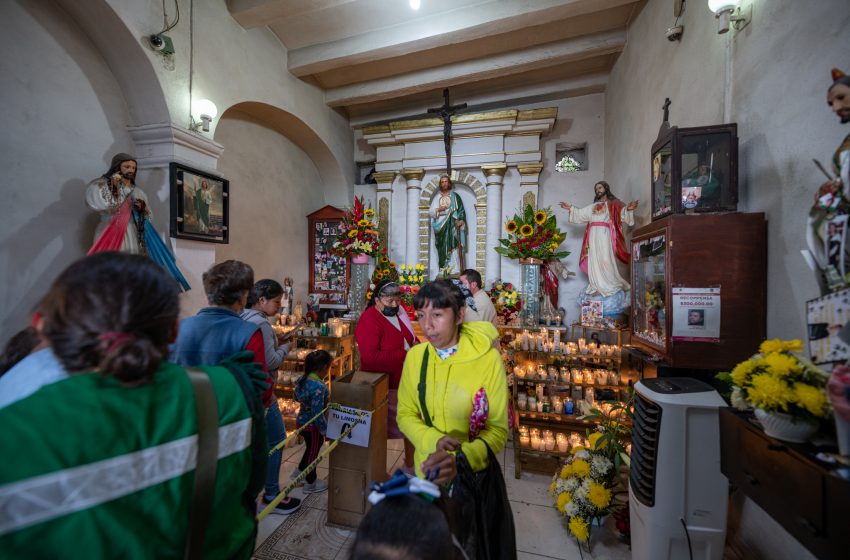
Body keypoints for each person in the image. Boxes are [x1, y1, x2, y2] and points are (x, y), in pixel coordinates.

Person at [0, 253, 266, 557]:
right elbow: (250, 484)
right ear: (173, 331)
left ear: (42, 325)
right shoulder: (229, 389)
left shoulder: (15, 425)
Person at [170, 260, 300, 515]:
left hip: (190, 418)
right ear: (243, 296)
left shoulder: (180, 328)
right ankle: (268, 496)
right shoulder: (247, 331)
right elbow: (260, 388)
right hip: (234, 420)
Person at [397, 279, 508, 482]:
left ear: (459, 316)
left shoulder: (487, 359)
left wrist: (463, 459)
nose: (427, 325)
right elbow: (405, 414)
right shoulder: (416, 357)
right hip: (427, 471)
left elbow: (497, 430)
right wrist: (433, 441)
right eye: (421, 316)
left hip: (472, 477)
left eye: (437, 315)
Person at [85, 153, 190, 290]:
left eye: (133, 168)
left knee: (131, 266)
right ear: (117, 167)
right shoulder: (102, 185)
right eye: (127, 166)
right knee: (111, 266)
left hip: (133, 231)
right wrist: (114, 187)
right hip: (112, 229)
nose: (130, 170)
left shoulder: (138, 192)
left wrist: (142, 209)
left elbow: (149, 217)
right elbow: (102, 204)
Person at [241, 279, 300, 509]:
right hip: (264, 392)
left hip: (245, 390)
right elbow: (271, 361)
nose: (279, 307)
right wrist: (286, 347)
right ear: (262, 300)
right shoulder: (261, 324)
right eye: (276, 302)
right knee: (276, 440)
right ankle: (272, 494)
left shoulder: (241, 317)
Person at [355, 280, 419, 474]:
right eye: (389, 301)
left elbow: (410, 339)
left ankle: (410, 465)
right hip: (384, 384)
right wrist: (406, 354)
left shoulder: (398, 315)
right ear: (377, 300)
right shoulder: (369, 319)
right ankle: (376, 472)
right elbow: (370, 357)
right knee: (380, 432)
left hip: (403, 381)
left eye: (396, 300)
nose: (394, 305)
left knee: (410, 427)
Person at [559, 181, 638, 297]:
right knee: (593, 259)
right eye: (596, 189)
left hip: (605, 233)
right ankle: (596, 285)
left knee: (606, 258)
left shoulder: (614, 204)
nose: (598, 190)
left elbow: (623, 213)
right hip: (593, 235)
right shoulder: (592, 206)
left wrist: (629, 209)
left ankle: (611, 284)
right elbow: (580, 214)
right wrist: (570, 208)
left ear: (606, 188)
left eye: (600, 187)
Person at [294, 350, 332, 494]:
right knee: (313, 452)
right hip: (312, 426)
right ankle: (310, 482)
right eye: (329, 367)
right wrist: (325, 431)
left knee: (310, 448)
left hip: (301, 421)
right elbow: (317, 414)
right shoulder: (319, 387)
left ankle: (299, 473)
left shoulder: (302, 379)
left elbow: (296, 398)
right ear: (323, 368)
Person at [430, 175, 467, 277]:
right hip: (440, 227)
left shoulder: (455, 197)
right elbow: (431, 212)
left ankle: (455, 269)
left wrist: (461, 220)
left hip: (453, 227)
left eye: (446, 181)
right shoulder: (437, 197)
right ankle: (444, 269)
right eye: (442, 182)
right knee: (442, 247)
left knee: (454, 246)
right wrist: (438, 209)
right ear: (440, 184)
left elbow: (461, 211)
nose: (444, 183)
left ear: (449, 183)